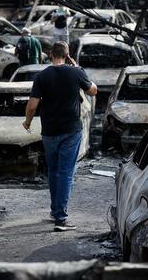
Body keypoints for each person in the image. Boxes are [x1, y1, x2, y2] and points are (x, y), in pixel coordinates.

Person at [23, 42, 98, 232]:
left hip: (49, 131)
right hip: (71, 130)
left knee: (54, 172)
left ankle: (55, 211)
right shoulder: (76, 72)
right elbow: (93, 91)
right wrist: (77, 67)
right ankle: (61, 219)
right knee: (65, 172)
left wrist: (28, 122)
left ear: (50, 55)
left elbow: (32, 106)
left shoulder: (42, 76)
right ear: (67, 55)